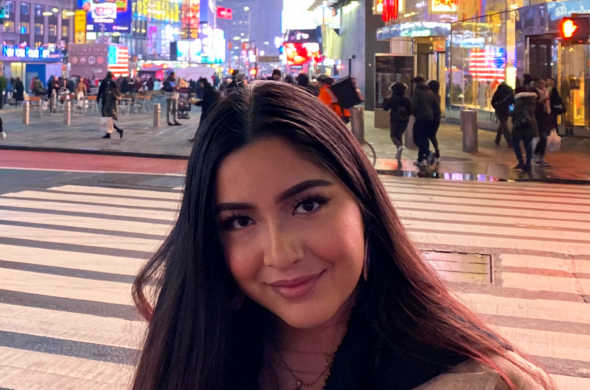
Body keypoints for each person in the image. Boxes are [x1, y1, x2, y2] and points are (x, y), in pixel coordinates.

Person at [131, 82, 554, 390]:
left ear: (364, 205)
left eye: (307, 205)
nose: (280, 254)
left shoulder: (479, 381)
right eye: (240, 221)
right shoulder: (193, 355)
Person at [511, 89, 538, 173]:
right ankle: (528, 164)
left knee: (515, 143)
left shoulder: (520, 100)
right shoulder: (532, 100)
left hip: (520, 125)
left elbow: (516, 112)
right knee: (527, 145)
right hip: (530, 125)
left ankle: (521, 162)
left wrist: (509, 111)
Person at [411, 76, 436, 166]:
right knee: (424, 138)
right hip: (430, 118)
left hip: (421, 117)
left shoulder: (417, 92)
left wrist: (414, 114)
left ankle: (428, 153)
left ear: (416, 83)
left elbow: (414, 105)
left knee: (416, 138)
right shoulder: (430, 92)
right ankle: (421, 159)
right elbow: (435, 105)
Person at [383, 82, 411, 160]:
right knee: (399, 136)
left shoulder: (393, 98)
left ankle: (399, 147)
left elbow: (385, 108)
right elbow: (410, 111)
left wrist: (386, 99)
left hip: (395, 120)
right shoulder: (407, 99)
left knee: (393, 136)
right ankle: (399, 154)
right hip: (405, 120)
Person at [189, 77, 221, 142]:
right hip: (212, 108)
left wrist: (196, 103)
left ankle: (198, 138)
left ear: (202, 83)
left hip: (207, 109)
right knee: (207, 124)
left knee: (203, 124)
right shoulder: (211, 89)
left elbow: (205, 102)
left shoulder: (206, 90)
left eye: (200, 83)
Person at [533, 79, 552, 167]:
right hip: (537, 117)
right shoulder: (534, 92)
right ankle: (540, 158)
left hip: (545, 116)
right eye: (540, 83)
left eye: (543, 83)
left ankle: (537, 153)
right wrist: (540, 102)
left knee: (543, 137)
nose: (542, 85)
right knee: (543, 137)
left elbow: (548, 104)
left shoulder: (546, 92)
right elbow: (533, 105)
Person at [491, 82, 514, 147]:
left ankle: (510, 142)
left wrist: (496, 107)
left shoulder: (498, 91)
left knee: (503, 125)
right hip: (507, 110)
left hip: (499, 110)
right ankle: (497, 140)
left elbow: (493, 101)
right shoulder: (510, 91)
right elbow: (513, 101)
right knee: (503, 124)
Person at [426, 80, 442, 161]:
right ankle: (436, 150)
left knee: (427, 135)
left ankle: (428, 152)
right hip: (437, 118)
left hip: (431, 117)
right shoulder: (437, 96)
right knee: (432, 135)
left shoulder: (430, 96)